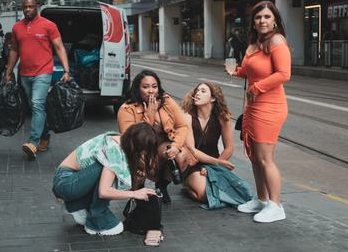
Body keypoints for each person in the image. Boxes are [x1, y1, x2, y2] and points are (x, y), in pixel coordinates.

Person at [227, 0, 291, 223]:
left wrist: (257, 87)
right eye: (258, 17)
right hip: (253, 106)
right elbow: (249, 70)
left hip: (270, 106)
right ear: (253, 22)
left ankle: (276, 205)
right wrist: (237, 72)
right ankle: (262, 200)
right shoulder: (254, 43)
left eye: (267, 17)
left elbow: (284, 74)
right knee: (254, 157)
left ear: (274, 20)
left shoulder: (276, 40)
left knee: (265, 159)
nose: (262, 21)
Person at [52, 122, 159, 235]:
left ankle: (77, 206)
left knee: (109, 171)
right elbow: (104, 192)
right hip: (65, 182)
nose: (144, 155)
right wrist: (134, 194)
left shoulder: (121, 141)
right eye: (144, 151)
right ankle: (97, 220)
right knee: (106, 168)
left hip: (71, 181)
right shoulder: (114, 149)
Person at [4, 0, 71, 160]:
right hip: (25, 74)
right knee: (36, 107)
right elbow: (14, 50)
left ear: (37, 6)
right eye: (25, 7)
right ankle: (45, 136)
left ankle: (33, 142)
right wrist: (9, 70)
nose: (27, 10)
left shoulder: (49, 25)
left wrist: (66, 70)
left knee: (36, 104)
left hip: (43, 72)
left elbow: (59, 47)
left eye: (31, 6)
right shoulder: (17, 27)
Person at [117, 69, 196, 204]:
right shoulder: (127, 109)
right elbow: (132, 139)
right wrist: (150, 114)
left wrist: (176, 146)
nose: (151, 91)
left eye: (154, 86)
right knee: (141, 160)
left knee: (181, 155)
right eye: (145, 87)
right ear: (137, 88)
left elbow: (183, 125)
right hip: (140, 151)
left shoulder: (166, 101)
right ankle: (139, 190)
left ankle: (162, 185)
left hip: (161, 147)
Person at [181, 82, 252, 208]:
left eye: (203, 91)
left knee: (241, 190)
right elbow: (192, 150)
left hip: (215, 163)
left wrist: (214, 166)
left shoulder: (222, 118)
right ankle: (186, 185)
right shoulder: (187, 117)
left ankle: (197, 183)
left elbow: (229, 148)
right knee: (204, 194)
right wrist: (215, 164)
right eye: (197, 91)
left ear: (213, 98)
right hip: (193, 163)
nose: (197, 93)